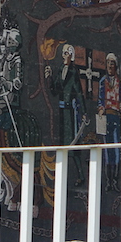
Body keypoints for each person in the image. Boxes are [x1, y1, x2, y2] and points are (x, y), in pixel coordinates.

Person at [44, 44, 86, 184]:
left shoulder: (73, 72)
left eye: (66, 53)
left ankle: (80, 175)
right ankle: (62, 175)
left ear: (71, 56)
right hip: (62, 112)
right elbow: (55, 91)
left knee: (73, 146)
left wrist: (84, 112)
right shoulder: (61, 69)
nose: (64, 56)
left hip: (71, 113)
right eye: (63, 53)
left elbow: (79, 93)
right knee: (62, 145)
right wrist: (49, 78)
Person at [98, 53, 121, 190]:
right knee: (108, 150)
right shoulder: (103, 81)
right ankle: (108, 180)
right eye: (108, 63)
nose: (110, 66)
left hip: (116, 116)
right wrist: (101, 108)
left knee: (117, 149)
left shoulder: (120, 81)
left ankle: (115, 181)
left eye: (112, 64)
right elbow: (100, 99)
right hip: (107, 116)